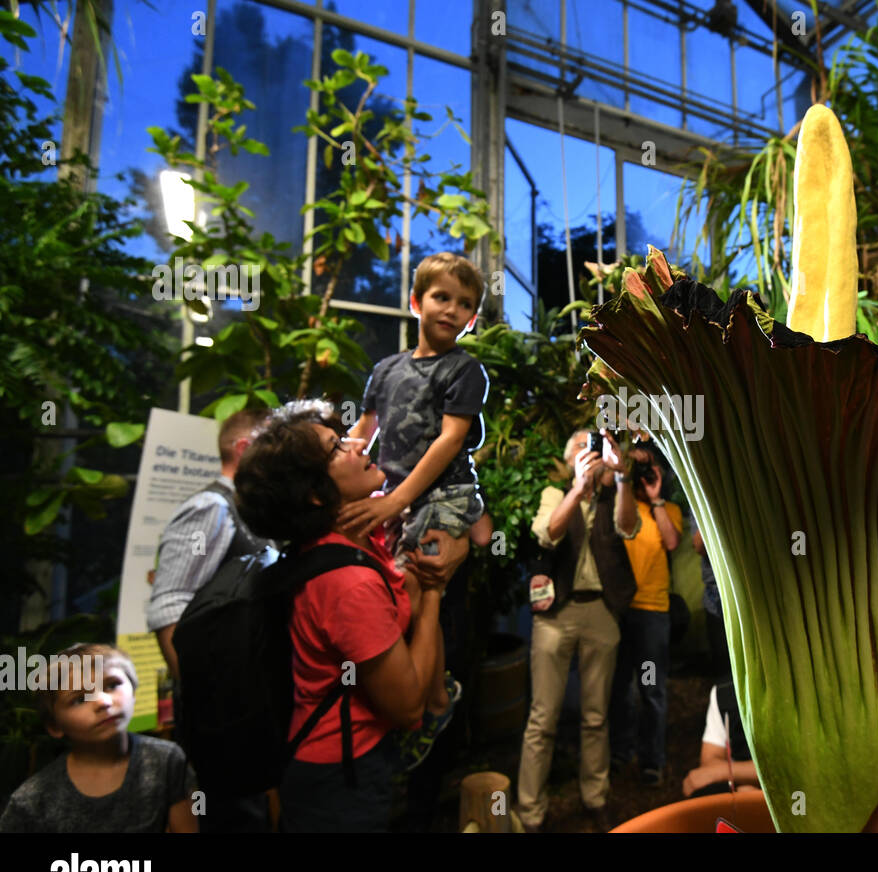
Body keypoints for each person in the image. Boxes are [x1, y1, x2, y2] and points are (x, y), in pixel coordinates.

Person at [234, 401, 468, 833]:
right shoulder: (347, 584)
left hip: (341, 760)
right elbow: (407, 705)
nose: (359, 443)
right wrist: (435, 592)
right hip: (338, 778)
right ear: (317, 494)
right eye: (337, 447)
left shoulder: (350, 540)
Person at [343, 252, 490, 769]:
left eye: (465, 304)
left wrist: (399, 499)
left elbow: (452, 441)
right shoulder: (386, 370)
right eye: (441, 297)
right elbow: (362, 435)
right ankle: (421, 694)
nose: (452, 310)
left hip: (444, 496)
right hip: (396, 502)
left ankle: (428, 704)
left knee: (415, 588)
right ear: (416, 301)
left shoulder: (465, 369)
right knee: (393, 599)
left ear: (472, 318)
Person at [145, 407, 272, 832]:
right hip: (220, 714)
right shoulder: (211, 508)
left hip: (243, 706)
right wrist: (202, 693)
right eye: (272, 443)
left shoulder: (249, 510)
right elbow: (170, 603)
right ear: (244, 448)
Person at [519, 428, 640, 833]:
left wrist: (622, 478)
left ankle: (596, 798)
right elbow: (549, 533)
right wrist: (576, 489)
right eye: (585, 450)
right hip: (556, 614)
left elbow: (629, 527)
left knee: (595, 716)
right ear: (571, 459)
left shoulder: (613, 496)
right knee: (543, 718)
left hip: (601, 614)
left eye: (599, 450)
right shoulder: (556, 494)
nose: (593, 457)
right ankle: (531, 810)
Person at [0, 643, 197, 833]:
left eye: (112, 685)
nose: (103, 702)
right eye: (79, 699)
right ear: (54, 726)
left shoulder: (167, 761)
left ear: (134, 691)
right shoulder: (31, 801)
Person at [610, 440, 682, 786]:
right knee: (620, 688)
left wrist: (656, 500)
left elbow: (671, 543)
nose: (641, 475)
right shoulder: (621, 504)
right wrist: (625, 475)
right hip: (620, 612)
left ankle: (652, 759)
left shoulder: (667, 509)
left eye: (647, 468)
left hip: (653, 614)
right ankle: (620, 753)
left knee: (651, 689)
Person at [682, 680, 760, 799]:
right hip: (740, 793)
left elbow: (794, 768)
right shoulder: (725, 693)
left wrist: (726, 772)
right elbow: (708, 767)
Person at [691, 524, 729, 680]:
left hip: (752, 596)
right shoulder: (700, 504)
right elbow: (700, 546)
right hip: (716, 601)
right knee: (725, 670)